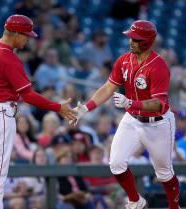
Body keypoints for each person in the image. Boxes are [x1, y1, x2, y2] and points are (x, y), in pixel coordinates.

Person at [73, 20, 180, 209]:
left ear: (147, 42)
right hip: (132, 119)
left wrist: (130, 102)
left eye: (136, 39)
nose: (131, 41)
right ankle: (136, 200)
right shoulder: (123, 60)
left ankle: (174, 206)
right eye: (130, 37)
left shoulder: (158, 66)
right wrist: (87, 107)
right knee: (116, 163)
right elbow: (108, 88)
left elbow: (158, 103)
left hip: (158, 123)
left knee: (163, 172)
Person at [0, 14, 76, 209]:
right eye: (26, 35)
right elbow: (28, 95)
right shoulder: (9, 58)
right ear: (16, 33)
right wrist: (58, 107)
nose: (28, 39)